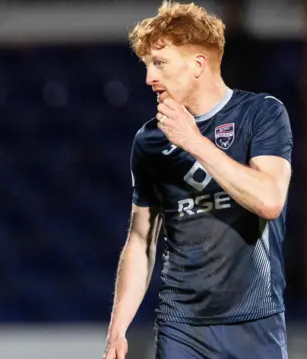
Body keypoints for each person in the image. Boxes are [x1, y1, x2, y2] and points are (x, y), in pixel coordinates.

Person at [104, 2, 292, 359]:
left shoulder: (262, 114)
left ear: (198, 65)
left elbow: (269, 200)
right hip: (181, 326)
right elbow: (141, 238)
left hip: (256, 323)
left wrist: (193, 142)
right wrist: (118, 327)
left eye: (159, 64)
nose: (149, 78)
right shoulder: (150, 141)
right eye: (147, 65)